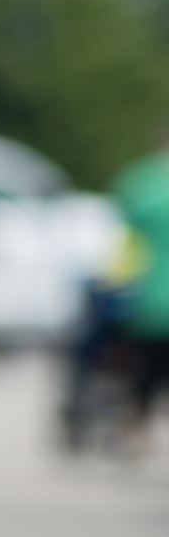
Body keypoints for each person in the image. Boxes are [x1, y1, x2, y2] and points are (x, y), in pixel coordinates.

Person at [108, 121, 169, 453]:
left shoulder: (137, 181)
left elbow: (124, 244)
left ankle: (135, 427)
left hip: (148, 297)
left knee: (143, 372)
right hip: (155, 296)